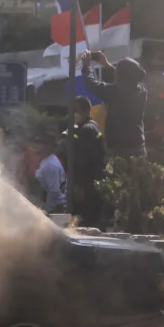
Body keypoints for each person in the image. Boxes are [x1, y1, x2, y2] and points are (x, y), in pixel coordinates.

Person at [82, 52, 149, 229]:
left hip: (119, 148)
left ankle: (108, 222)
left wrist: (86, 65)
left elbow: (92, 84)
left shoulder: (115, 91)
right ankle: (135, 227)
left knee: (111, 187)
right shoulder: (141, 90)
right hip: (138, 147)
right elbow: (126, 80)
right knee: (132, 190)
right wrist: (108, 66)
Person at [68, 96, 109, 229]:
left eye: (77, 110)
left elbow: (82, 160)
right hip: (93, 184)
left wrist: (79, 186)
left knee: (83, 221)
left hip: (87, 186)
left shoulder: (87, 130)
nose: (74, 114)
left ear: (86, 111)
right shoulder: (92, 127)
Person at [35, 138, 68, 215]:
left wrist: (47, 210)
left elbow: (54, 190)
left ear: (48, 147)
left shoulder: (51, 165)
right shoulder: (46, 160)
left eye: (41, 144)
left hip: (55, 208)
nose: (37, 147)